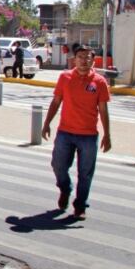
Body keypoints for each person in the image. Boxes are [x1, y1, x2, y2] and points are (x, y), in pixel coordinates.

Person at [41, 44, 112, 220]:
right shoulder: (65, 77)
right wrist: (47, 123)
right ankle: (65, 189)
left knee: (86, 173)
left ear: (93, 60)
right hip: (65, 132)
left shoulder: (99, 82)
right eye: (81, 57)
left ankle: (80, 206)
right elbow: (56, 101)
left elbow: (103, 110)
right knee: (58, 166)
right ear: (75, 59)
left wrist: (107, 135)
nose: (84, 60)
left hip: (88, 136)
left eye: (88, 57)